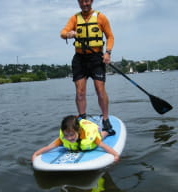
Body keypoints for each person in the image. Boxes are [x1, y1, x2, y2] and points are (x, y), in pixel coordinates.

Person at [60, 0, 115, 135]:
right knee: (80, 92)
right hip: (79, 59)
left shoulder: (101, 17)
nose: (85, 4)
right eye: (82, 1)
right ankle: (82, 120)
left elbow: (110, 36)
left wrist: (107, 52)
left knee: (100, 90)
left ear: (91, 1)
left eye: (87, 1)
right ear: (79, 2)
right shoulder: (74, 18)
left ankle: (106, 119)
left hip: (97, 58)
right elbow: (62, 33)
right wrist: (68, 34)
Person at [32, 115, 119, 162]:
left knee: (101, 136)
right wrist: (36, 154)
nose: (69, 138)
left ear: (78, 131)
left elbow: (104, 146)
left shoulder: (89, 137)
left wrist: (115, 155)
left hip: (95, 136)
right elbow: (49, 147)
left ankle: (107, 130)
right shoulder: (63, 138)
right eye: (66, 135)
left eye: (72, 135)